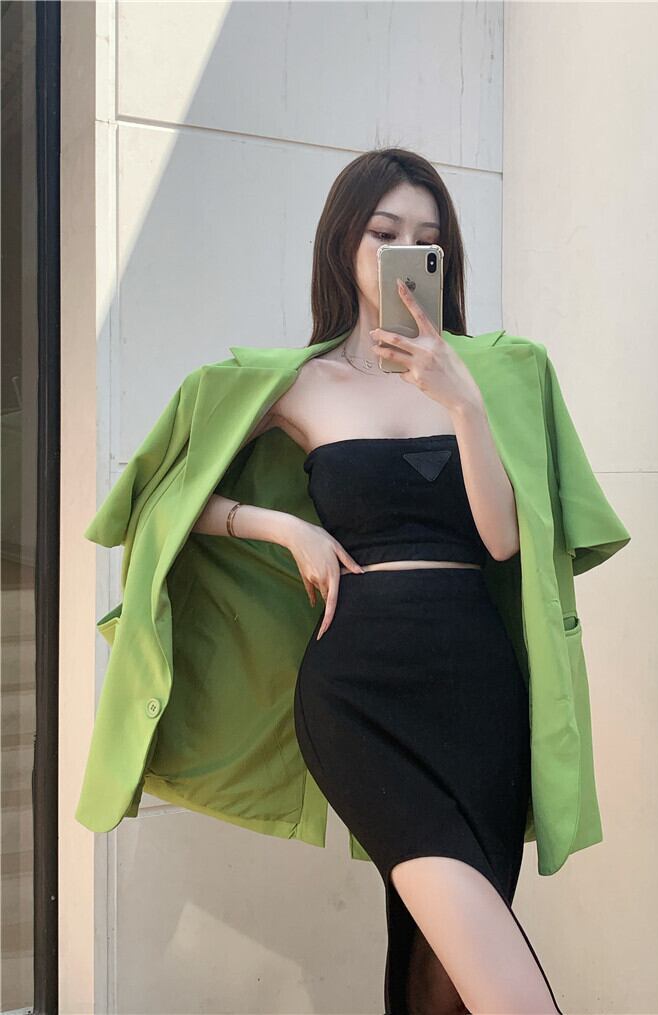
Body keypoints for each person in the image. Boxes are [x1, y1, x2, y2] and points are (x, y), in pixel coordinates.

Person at [193, 148, 564, 1014]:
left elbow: (502, 539)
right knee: (499, 980)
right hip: (359, 692)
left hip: (477, 694)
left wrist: (461, 400)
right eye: (385, 232)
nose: (407, 252)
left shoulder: (487, 375)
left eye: (427, 240)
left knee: (445, 966)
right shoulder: (299, 384)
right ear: (343, 245)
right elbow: (171, 493)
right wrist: (284, 526)